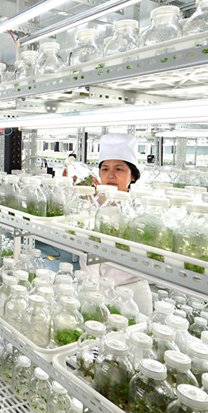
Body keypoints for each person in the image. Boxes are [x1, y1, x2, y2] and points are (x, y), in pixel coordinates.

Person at [84, 133, 152, 314]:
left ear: (133, 176)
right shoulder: (90, 206)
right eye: (105, 169)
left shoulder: (142, 212)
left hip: (132, 293)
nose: (111, 175)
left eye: (119, 169)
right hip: (94, 288)